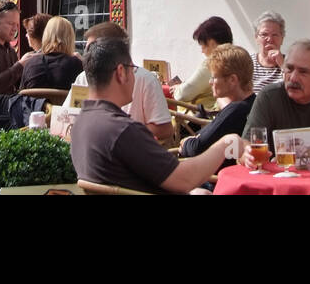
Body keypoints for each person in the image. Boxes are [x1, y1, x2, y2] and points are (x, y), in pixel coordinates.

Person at [70, 36, 242, 193]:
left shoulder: (80, 123)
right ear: (121, 72)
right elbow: (184, 179)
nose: (135, 74)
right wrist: (226, 144)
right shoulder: (122, 130)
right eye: (133, 68)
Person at [69, 21, 175, 146]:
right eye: (87, 50)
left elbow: (165, 128)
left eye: (93, 49)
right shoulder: (84, 77)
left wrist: (124, 133)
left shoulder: (145, 80)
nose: (87, 55)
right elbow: (67, 117)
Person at [179, 44, 256, 166]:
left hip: (213, 180)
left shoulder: (236, 111)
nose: (210, 82)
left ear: (232, 80)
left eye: (213, 77)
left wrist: (186, 142)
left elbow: (196, 149)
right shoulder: (253, 103)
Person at [173, 16, 232, 110]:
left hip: (205, 118)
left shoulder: (213, 63)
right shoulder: (238, 59)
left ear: (212, 43)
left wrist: (177, 89)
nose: (202, 51)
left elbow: (183, 94)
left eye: (202, 45)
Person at [21, 16, 83, 90]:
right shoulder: (76, 64)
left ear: (46, 35)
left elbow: (22, 96)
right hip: (65, 102)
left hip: (36, 101)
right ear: (70, 38)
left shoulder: (30, 64)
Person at [251, 11, 285, 93]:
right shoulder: (247, 63)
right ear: (256, 38)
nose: (270, 39)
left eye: (274, 35)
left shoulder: (291, 63)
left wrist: (283, 65)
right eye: (264, 34)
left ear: (282, 38)